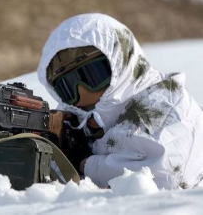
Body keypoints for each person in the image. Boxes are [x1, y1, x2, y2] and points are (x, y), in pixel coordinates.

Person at [37, 13, 203, 189]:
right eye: (67, 86)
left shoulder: (168, 109)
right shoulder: (75, 116)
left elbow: (163, 177)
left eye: (92, 75)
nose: (81, 91)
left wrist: (83, 164)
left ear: (121, 63)